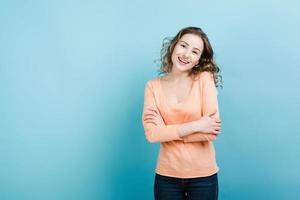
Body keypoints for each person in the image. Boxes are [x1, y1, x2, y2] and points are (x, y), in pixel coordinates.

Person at [142, 26, 222, 200]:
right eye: (183, 46)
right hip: (166, 177)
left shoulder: (204, 79)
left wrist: (167, 131)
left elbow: (211, 131)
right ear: (174, 46)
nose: (186, 54)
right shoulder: (152, 86)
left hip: (203, 177)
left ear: (198, 60)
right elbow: (152, 134)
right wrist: (196, 125)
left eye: (195, 52)